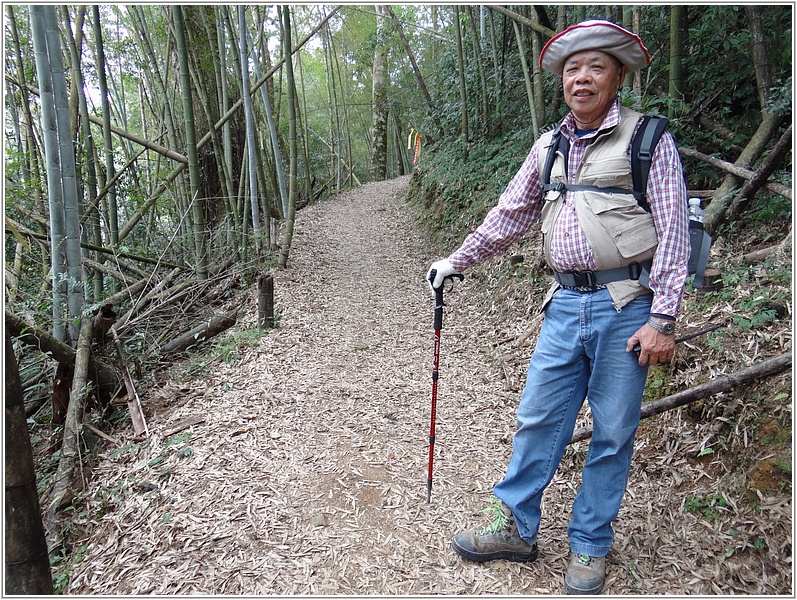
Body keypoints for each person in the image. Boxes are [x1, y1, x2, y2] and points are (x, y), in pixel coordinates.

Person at [426, 20, 690, 595]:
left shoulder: (648, 140)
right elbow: (511, 214)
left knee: (614, 431)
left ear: (618, 76)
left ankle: (590, 546)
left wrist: (662, 318)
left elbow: (674, 231)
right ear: (561, 81)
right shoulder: (549, 147)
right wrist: (458, 260)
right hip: (565, 302)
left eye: (596, 66)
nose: (582, 77)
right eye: (573, 69)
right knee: (539, 418)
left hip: (629, 305)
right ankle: (515, 526)